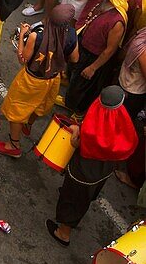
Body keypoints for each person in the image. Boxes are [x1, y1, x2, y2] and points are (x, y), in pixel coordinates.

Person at [47, 86, 137, 246]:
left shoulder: (91, 128)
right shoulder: (122, 122)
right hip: (101, 172)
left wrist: (75, 131)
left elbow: (76, 142)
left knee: (72, 199)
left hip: (83, 172)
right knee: (84, 197)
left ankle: (63, 234)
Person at [0, 5, 78, 158]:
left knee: (16, 109)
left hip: (32, 80)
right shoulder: (71, 34)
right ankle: (28, 125)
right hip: (53, 79)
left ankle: (13, 145)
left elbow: (23, 58)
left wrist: (22, 35)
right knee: (40, 106)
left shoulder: (37, 36)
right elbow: (75, 58)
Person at [65, 0, 129, 114]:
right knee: (73, 77)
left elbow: (109, 50)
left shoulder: (117, 21)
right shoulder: (102, 2)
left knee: (80, 88)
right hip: (82, 47)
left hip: (92, 58)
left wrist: (92, 68)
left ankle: (76, 113)